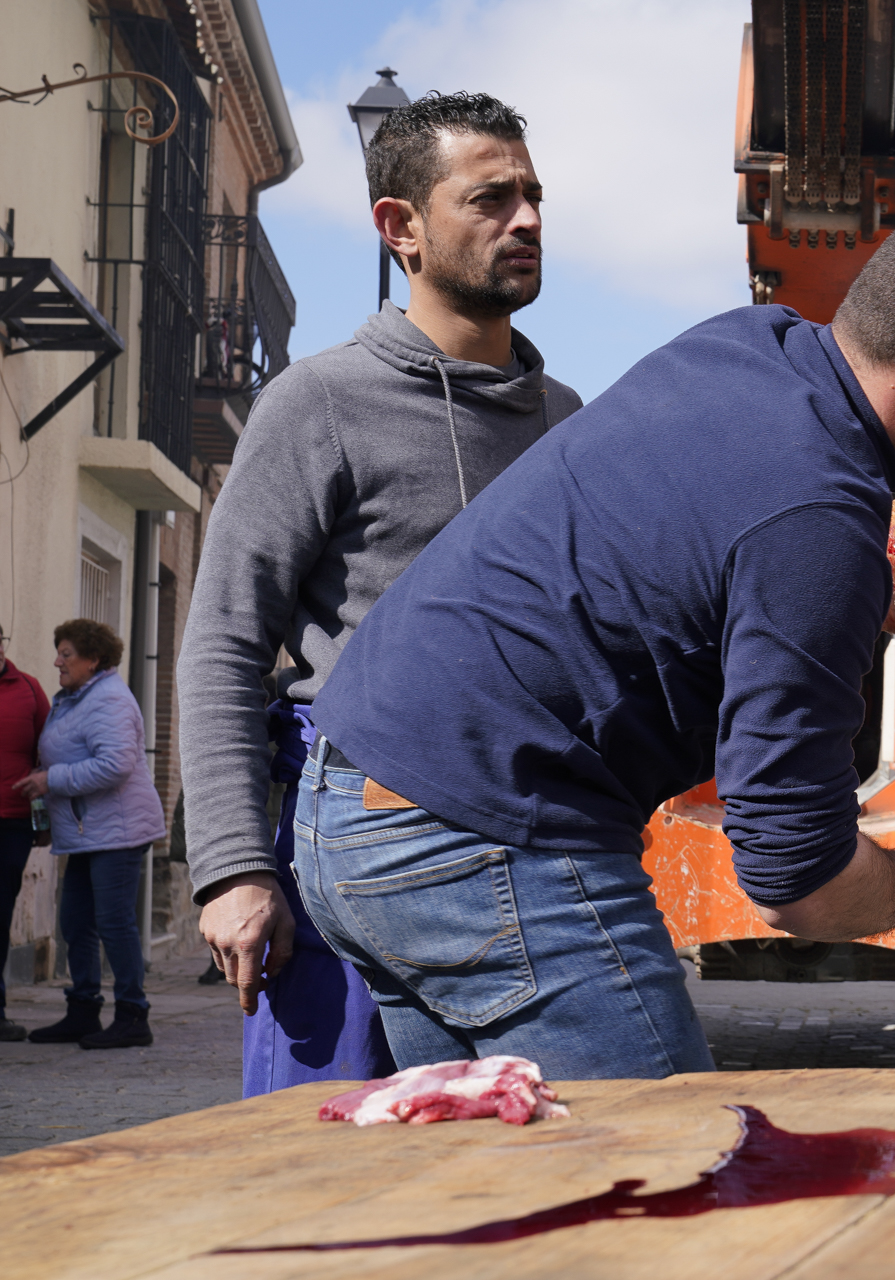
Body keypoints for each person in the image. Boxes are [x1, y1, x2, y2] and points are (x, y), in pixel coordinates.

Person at [297, 200, 895, 1079]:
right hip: (481, 840)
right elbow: (793, 882)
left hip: (351, 806)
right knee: (663, 1185)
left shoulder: (753, 345)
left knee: (506, 1184)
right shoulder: (819, 524)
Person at [178, 90, 583, 1097]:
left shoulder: (569, 421)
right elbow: (225, 639)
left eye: (532, 195)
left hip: (530, 862)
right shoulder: (317, 403)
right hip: (345, 860)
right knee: (330, 1181)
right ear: (399, 227)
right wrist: (232, 867)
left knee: (528, 1176)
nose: (526, 219)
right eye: (490, 199)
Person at [16, 621, 166, 1049]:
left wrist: (51, 780)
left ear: (93, 659)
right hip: (86, 831)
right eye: (58, 652)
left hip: (118, 831)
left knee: (114, 923)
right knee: (76, 923)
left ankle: (133, 1016)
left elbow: (115, 765)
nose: (57, 661)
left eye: (66, 653)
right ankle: (82, 1012)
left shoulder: (110, 700)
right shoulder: (74, 699)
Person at [0, 627, 50, 1041]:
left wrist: (42, 821)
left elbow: (47, 752)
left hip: (11, 822)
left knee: (1, 918)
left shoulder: (28, 689)